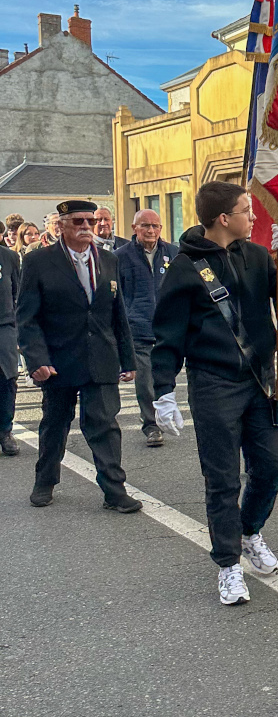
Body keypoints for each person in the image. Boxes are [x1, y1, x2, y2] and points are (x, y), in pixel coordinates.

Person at [150, 182, 278, 607]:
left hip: (261, 380)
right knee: (221, 478)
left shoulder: (257, 256)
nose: (253, 216)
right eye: (246, 210)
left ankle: (249, 529)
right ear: (224, 218)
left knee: (272, 465)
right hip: (214, 383)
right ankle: (229, 565)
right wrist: (162, 391)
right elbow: (167, 335)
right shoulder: (185, 267)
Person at [16, 198, 141, 512]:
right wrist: (37, 360)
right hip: (58, 361)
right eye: (78, 222)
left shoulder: (108, 260)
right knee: (55, 424)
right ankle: (45, 481)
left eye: (91, 221)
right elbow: (27, 318)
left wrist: (128, 360)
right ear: (62, 226)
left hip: (101, 357)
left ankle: (115, 491)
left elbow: (118, 313)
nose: (87, 227)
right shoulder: (38, 262)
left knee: (104, 425)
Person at [116, 208, 178, 446]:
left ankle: (165, 415)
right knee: (145, 382)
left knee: (164, 378)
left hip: (167, 329)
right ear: (135, 229)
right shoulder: (120, 256)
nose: (151, 230)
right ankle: (151, 425)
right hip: (138, 329)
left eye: (155, 226)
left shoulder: (173, 253)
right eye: (145, 226)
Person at [0, 237, 20, 457]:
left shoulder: (8, 257)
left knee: (7, 379)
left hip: (4, 325)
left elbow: (18, 293)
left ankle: (5, 430)